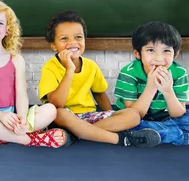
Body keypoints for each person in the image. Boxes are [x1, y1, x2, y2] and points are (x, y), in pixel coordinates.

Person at [38, 11, 160, 148]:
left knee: (133, 115)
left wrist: (111, 115)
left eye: (78, 37)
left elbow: (99, 93)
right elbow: (56, 104)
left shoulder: (91, 66)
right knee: (59, 113)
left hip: (89, 116)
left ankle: (79, 133)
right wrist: (69, 70)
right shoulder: (50, 67)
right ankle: (119, 139)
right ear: (54, 45)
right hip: (65, 118)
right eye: (64, 39)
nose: (73, 42)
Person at [0, 0, 72, 147]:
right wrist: (0, 116)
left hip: (12, 115)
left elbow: (21, 94)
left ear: (8, 30)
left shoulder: (16, 60)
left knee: (50, 110)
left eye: (0, 23)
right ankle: (29, 139)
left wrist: (21, 119)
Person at [114, 21, 189, 146]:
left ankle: (152, 134)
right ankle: (186, 138)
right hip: (134, 120)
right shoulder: (129, 73)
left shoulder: (179, 73)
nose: (159, 58)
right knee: (124, 125)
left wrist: (168, 91)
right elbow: (134, 113)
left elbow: (178, 113)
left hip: (165, 118)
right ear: (138, 54)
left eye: (166, 51)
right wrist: (151, 87)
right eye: (150, 50)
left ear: (176, 54)